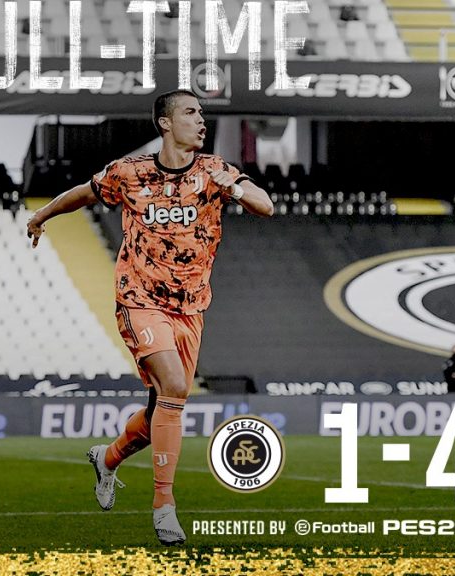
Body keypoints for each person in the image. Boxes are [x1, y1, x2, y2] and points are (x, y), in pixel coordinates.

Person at [26, 90, 273, 545]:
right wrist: (41, 214)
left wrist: (235, 188)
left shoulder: (213, 171)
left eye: (201, 113)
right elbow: (83, 193)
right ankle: (164, 506)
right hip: (138, 297)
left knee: (163, 406)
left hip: (190, 306)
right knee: (175, 387)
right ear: (165, 123)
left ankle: (108, 459)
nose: (201, 120)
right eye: (191, 112)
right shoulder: (130, 173)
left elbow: (265, 205)